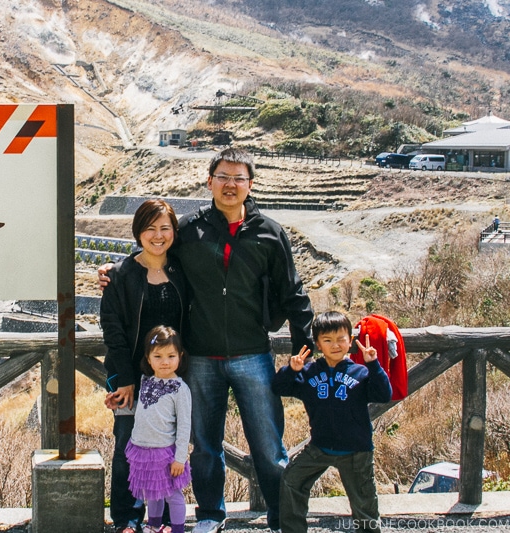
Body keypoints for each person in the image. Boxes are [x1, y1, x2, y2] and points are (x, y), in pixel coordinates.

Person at [101, 148, 314, 533]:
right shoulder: (191, 229)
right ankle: (212, 515)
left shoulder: (270, 233)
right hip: (199, 356)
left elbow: (293, 293)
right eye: (223, 176)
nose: (230, 184)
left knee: (268, 446)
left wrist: (307, 348)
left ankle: (284, 519)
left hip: (253, 354)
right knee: (203, 445)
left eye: (238, 178)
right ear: (209, 180)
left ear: (251, 184)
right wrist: (116, 271)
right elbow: (155, 249)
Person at [101, 199, 188, 533]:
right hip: (131, 379)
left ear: (174, 232)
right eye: (150, 228)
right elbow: (114, 330)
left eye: (165, 227)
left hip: (171, 380)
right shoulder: (121, 275)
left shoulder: (181, 271)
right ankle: (126, 518)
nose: (158, 235)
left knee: (166, 449)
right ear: (138, 231)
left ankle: (164, 519)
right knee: (127, 449)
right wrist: (124, 379)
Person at [272, 311, 392, 533]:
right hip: (319, 447)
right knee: (291, 481)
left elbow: (384, 394)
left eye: (341, 339)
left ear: (350, 341)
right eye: (327, 340)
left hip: (356, 451)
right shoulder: (309, 373)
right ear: (317, 344)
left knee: (364, 502)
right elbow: (279, 387)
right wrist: (292, 370)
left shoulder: (361, 372)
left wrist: (374, 365)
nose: (335, 345)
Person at [126, 326, 192, 533]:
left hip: (165, 451)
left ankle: (178, 528)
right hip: (142, 448)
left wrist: (180, 457)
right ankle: (153, 525)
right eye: (158, 356)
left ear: (180, 357)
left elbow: (184, 425)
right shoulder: (146, 381)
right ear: (148, 358)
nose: (165, 362)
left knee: (172, 494)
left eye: (171, 356)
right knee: (152, 492)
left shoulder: (180, 389)